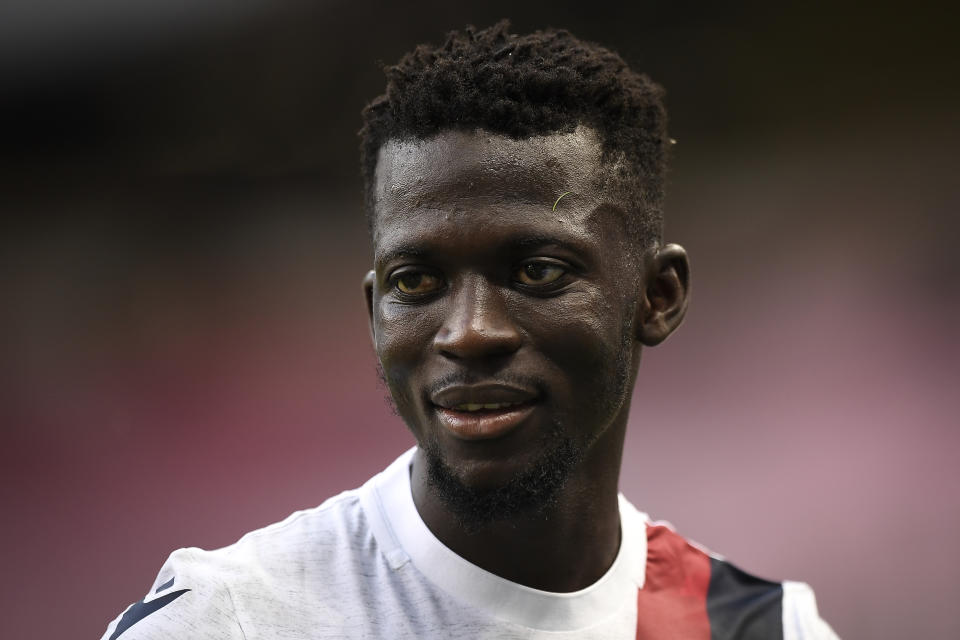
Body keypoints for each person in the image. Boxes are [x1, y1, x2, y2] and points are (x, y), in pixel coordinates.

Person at [102, 22, 839, 639]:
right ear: (373, 313)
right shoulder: (232, 622)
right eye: (416, 282)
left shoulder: (766, 628)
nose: (470, 333)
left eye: (539, 271)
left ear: (657, 295)